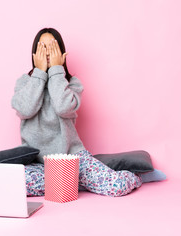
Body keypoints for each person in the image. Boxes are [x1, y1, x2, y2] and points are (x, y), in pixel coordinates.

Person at [11, 28, 143, 197]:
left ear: (61, 53)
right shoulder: (24, 83)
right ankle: (73, 183)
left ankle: (137, 176)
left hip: (73, 158)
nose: (47, 53)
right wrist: (39, 74)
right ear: (34, 54)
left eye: (52, 47)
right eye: (42, 48)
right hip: (38, 164)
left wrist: (56, 71)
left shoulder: (72, 84)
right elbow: (25, 109)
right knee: (16, 184)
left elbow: (63, 107)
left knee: (116, 186)